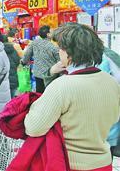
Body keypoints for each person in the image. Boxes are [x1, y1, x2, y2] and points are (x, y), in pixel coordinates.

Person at [24, 23, 120, 171]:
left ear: (69, 52)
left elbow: (33, 127)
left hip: (71, 164)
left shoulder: (62, 86)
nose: (59, 52)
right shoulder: (111, 83)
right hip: (104, 162)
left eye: (60, 48)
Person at [21, 25, 60, 93]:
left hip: (38, 73)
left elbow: (27, 54)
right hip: (50, 75)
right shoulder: (53, 47)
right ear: (48, 34)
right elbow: (59, 61)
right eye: (52, 31)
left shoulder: (34, 42)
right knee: (50, 94)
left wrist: (23, 62)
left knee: (39, 94)